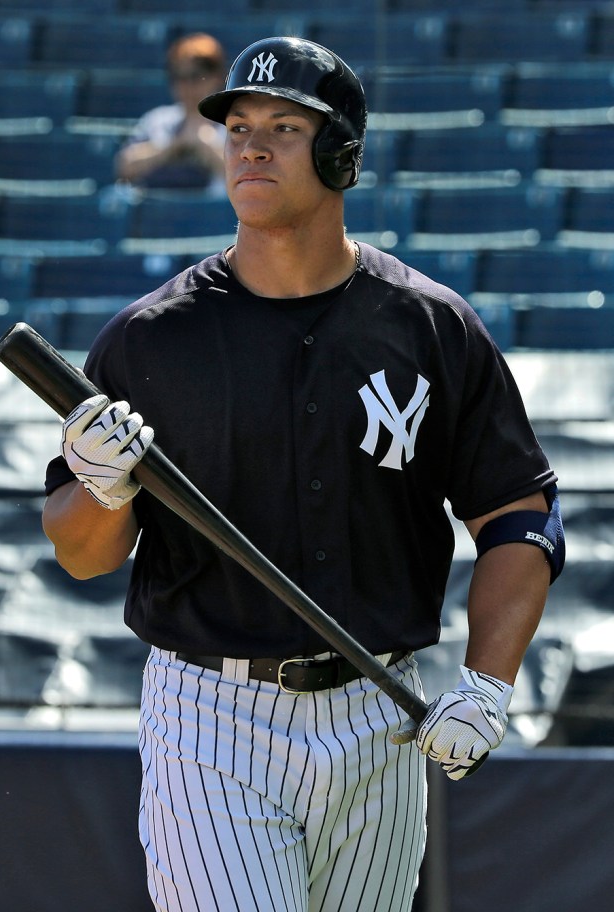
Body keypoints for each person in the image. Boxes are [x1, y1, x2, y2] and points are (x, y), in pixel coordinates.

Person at [43, 36, 565, 912]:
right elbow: (83, 555)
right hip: (210, 712)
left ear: (341, 153)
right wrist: (102, 488)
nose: (249, 145)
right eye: (238, 125)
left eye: (283, 127)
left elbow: (518, 513)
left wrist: (487, 682)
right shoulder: (150, 337)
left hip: (381, 709)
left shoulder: (431, 326)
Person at [115, 32, 227, 193]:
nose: (187, 86)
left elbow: (245, 175)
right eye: (179, 77)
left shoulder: (234, 122)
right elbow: (124, 166)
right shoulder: (157, 120)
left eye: (196, 76)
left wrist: (205, 145)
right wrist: (173, 146)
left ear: (217, 77)